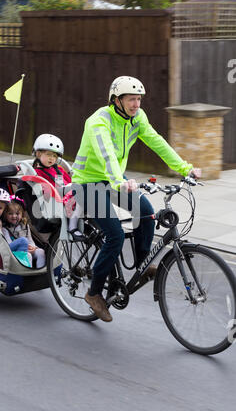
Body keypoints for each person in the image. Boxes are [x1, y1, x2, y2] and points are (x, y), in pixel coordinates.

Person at [71, 75, 201, 322]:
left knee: (148, 214)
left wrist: (185, 168)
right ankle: (94, 293)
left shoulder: (137, 119)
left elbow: (157, 142)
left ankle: (142, 265)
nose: (136, 104)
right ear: (116, 100)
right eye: (131, 99)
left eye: (139, 99)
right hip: (88, 183)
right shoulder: (98, 121)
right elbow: (107, 154)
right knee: (115, 236)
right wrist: (119, 181)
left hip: (115, 180)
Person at [32, 133, 84, 240]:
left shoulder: (59, 169)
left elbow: (71, 181)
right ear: (38, 154)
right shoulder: (37, 172)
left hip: (66, 193)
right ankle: (73, 226)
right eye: (48, 154)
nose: (51, 158)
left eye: (55, 156)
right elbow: (44, 190)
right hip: (55, 199)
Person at [0, 188, 30, 260]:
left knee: (27, 248)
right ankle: (20, 264)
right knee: (23, 241)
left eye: (0, 208)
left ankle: (20, 263)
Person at [2, 196, 46, 269]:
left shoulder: (25, 225)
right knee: (26, 251)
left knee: (40, 251)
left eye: (17, 213)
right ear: (5, 215)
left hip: (27, 249)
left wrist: (33, 247)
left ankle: (40, 271)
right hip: (15, 252)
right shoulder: (5, 229)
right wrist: (26, 249)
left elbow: (30, 239)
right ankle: (28, 272)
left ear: (22, 214)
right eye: (10, 213)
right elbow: (9, 245)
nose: (14, 216)